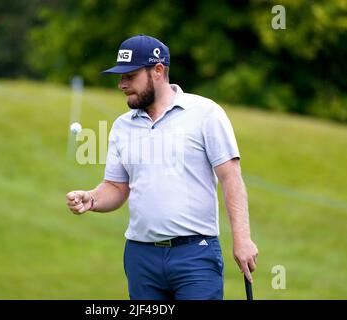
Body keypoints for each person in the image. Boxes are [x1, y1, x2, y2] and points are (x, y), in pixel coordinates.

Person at [65, 34, 258, 300]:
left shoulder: (206, 113)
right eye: (120, 77)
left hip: (195, 255)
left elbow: (231, 178)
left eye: (130, 76)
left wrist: (242, 238)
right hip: (141, 257)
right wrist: (92, 198)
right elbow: (117, 187)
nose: (121, 84)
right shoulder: (123, 126)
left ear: (157, 71)